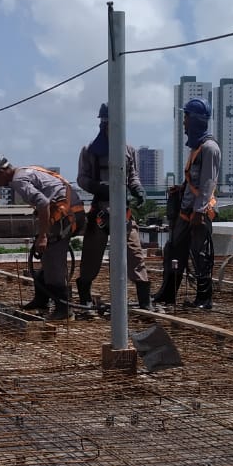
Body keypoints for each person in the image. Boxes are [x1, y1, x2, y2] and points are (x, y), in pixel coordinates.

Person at [0, 154, 86, 320]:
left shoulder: (18, 181)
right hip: (73, 209)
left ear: (0, 172)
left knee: (52, 259)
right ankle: (41, 299)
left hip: (65, 214)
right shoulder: (26, 170)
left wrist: (43, 236)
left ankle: (64, 309)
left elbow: (43, 203)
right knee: (48, 256)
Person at [75, 103, 152, 313]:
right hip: (100, 211)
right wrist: (98, 187)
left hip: (123, 212)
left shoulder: (128, 150)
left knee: (135, 254)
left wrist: (138, 189)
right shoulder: (90, 150)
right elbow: (81, 178)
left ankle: (145, 300)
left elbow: (132, 175)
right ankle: (85, 298)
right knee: (91, 255)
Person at [152, 98, 220, 310]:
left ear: (196, 120)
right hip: (186, 210)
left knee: (201, 255)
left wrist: (199, 211)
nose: (184, 122)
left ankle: (204, 299)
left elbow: (208, 182)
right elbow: (195, 180)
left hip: (199, 212)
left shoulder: (209, 148)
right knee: (174, 250)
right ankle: (168, 293)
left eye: (186, 117)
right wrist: (182, 189)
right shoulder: (197, 148)